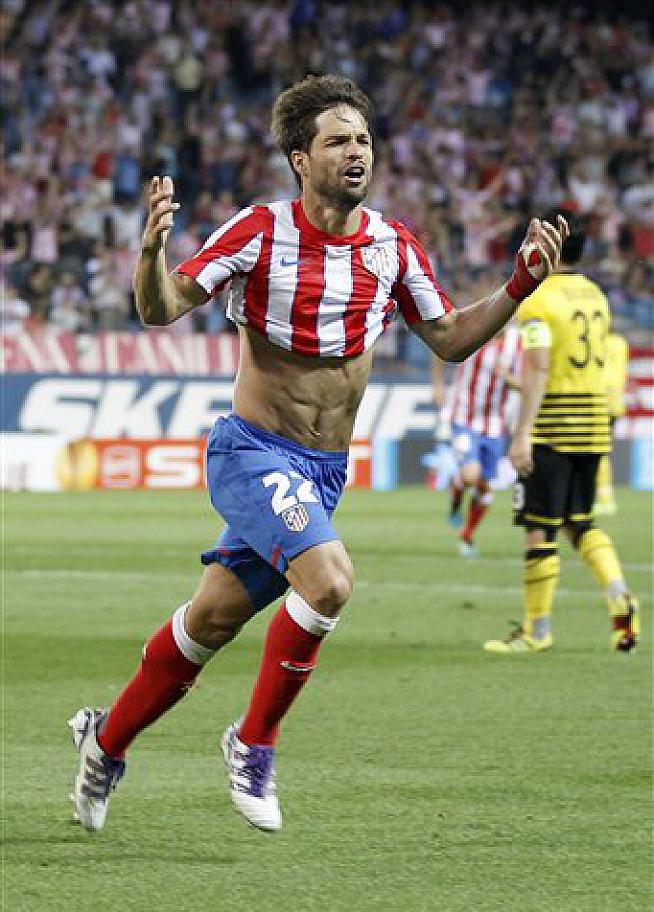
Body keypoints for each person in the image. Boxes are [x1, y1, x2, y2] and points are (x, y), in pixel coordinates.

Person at [68, 75, 567, 833]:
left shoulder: (393, 246)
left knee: (208, 624)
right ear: (301, 158)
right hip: (252, 452)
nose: (356, 151)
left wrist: (517, 286)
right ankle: (253, 743)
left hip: (323, 473)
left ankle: (105, 742)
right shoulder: (259, 231)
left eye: (362, 138)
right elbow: (160, 308)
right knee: (330, 581)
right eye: (337, 141)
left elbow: (450, 339)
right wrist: (150, 252)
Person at [484, 208, 639, 655]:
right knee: (580, 522)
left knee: (539, 527)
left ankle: (537, 631)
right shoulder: (596, 296)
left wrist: (522, 434)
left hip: (553, 425)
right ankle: (620, 596)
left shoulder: (538, 300)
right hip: (593, 424)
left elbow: (538, 368)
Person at [433, 319, 522, 557]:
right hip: (464, 416)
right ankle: (458, 495)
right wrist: (438, 385)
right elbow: (439, 348)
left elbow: (526, 384)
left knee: (484, 486)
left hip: (495, 425)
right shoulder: (474, 329)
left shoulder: (517, 343)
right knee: (471, 475)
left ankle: (467, 535)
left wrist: (507, 377)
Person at [594, 329, 630, 515]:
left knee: (597, 449)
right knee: (604, 448)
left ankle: (604, 497)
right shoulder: (621, 342)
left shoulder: (598, 340)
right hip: (616, 400)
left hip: (600, 397)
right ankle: (604, 495)